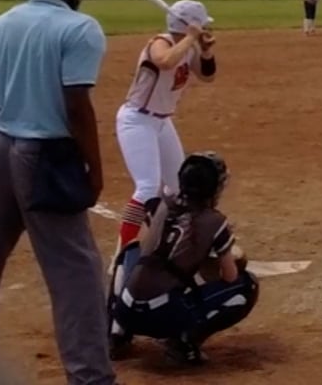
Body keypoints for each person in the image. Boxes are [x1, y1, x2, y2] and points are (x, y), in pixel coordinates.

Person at [0, 0, 116, 385]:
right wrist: (94, 170)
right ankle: (91, 377)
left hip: (0, 144)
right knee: (76, 272)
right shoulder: (79, 28)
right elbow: (76, 106)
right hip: (45, 155)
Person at [108, 0, 216, 348]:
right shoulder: (162, 42)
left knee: (178, 189)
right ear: (187, 25)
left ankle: (172, 244)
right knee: (147, 186)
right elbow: (165, 60)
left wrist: (205, 49)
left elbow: (208, 75)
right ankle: (123, 252)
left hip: (162, 123)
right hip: (136, 120)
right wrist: (191, 38)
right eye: (201, 24)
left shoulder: (187, 46)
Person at [108, 152, 258, 365]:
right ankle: (183, 344)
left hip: (125, 312)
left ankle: (116, 334)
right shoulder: (214, 221)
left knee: (130, 252)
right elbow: (230, 276)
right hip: (162, 319)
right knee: (247, 285)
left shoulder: (161, 205)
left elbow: (149, 247)